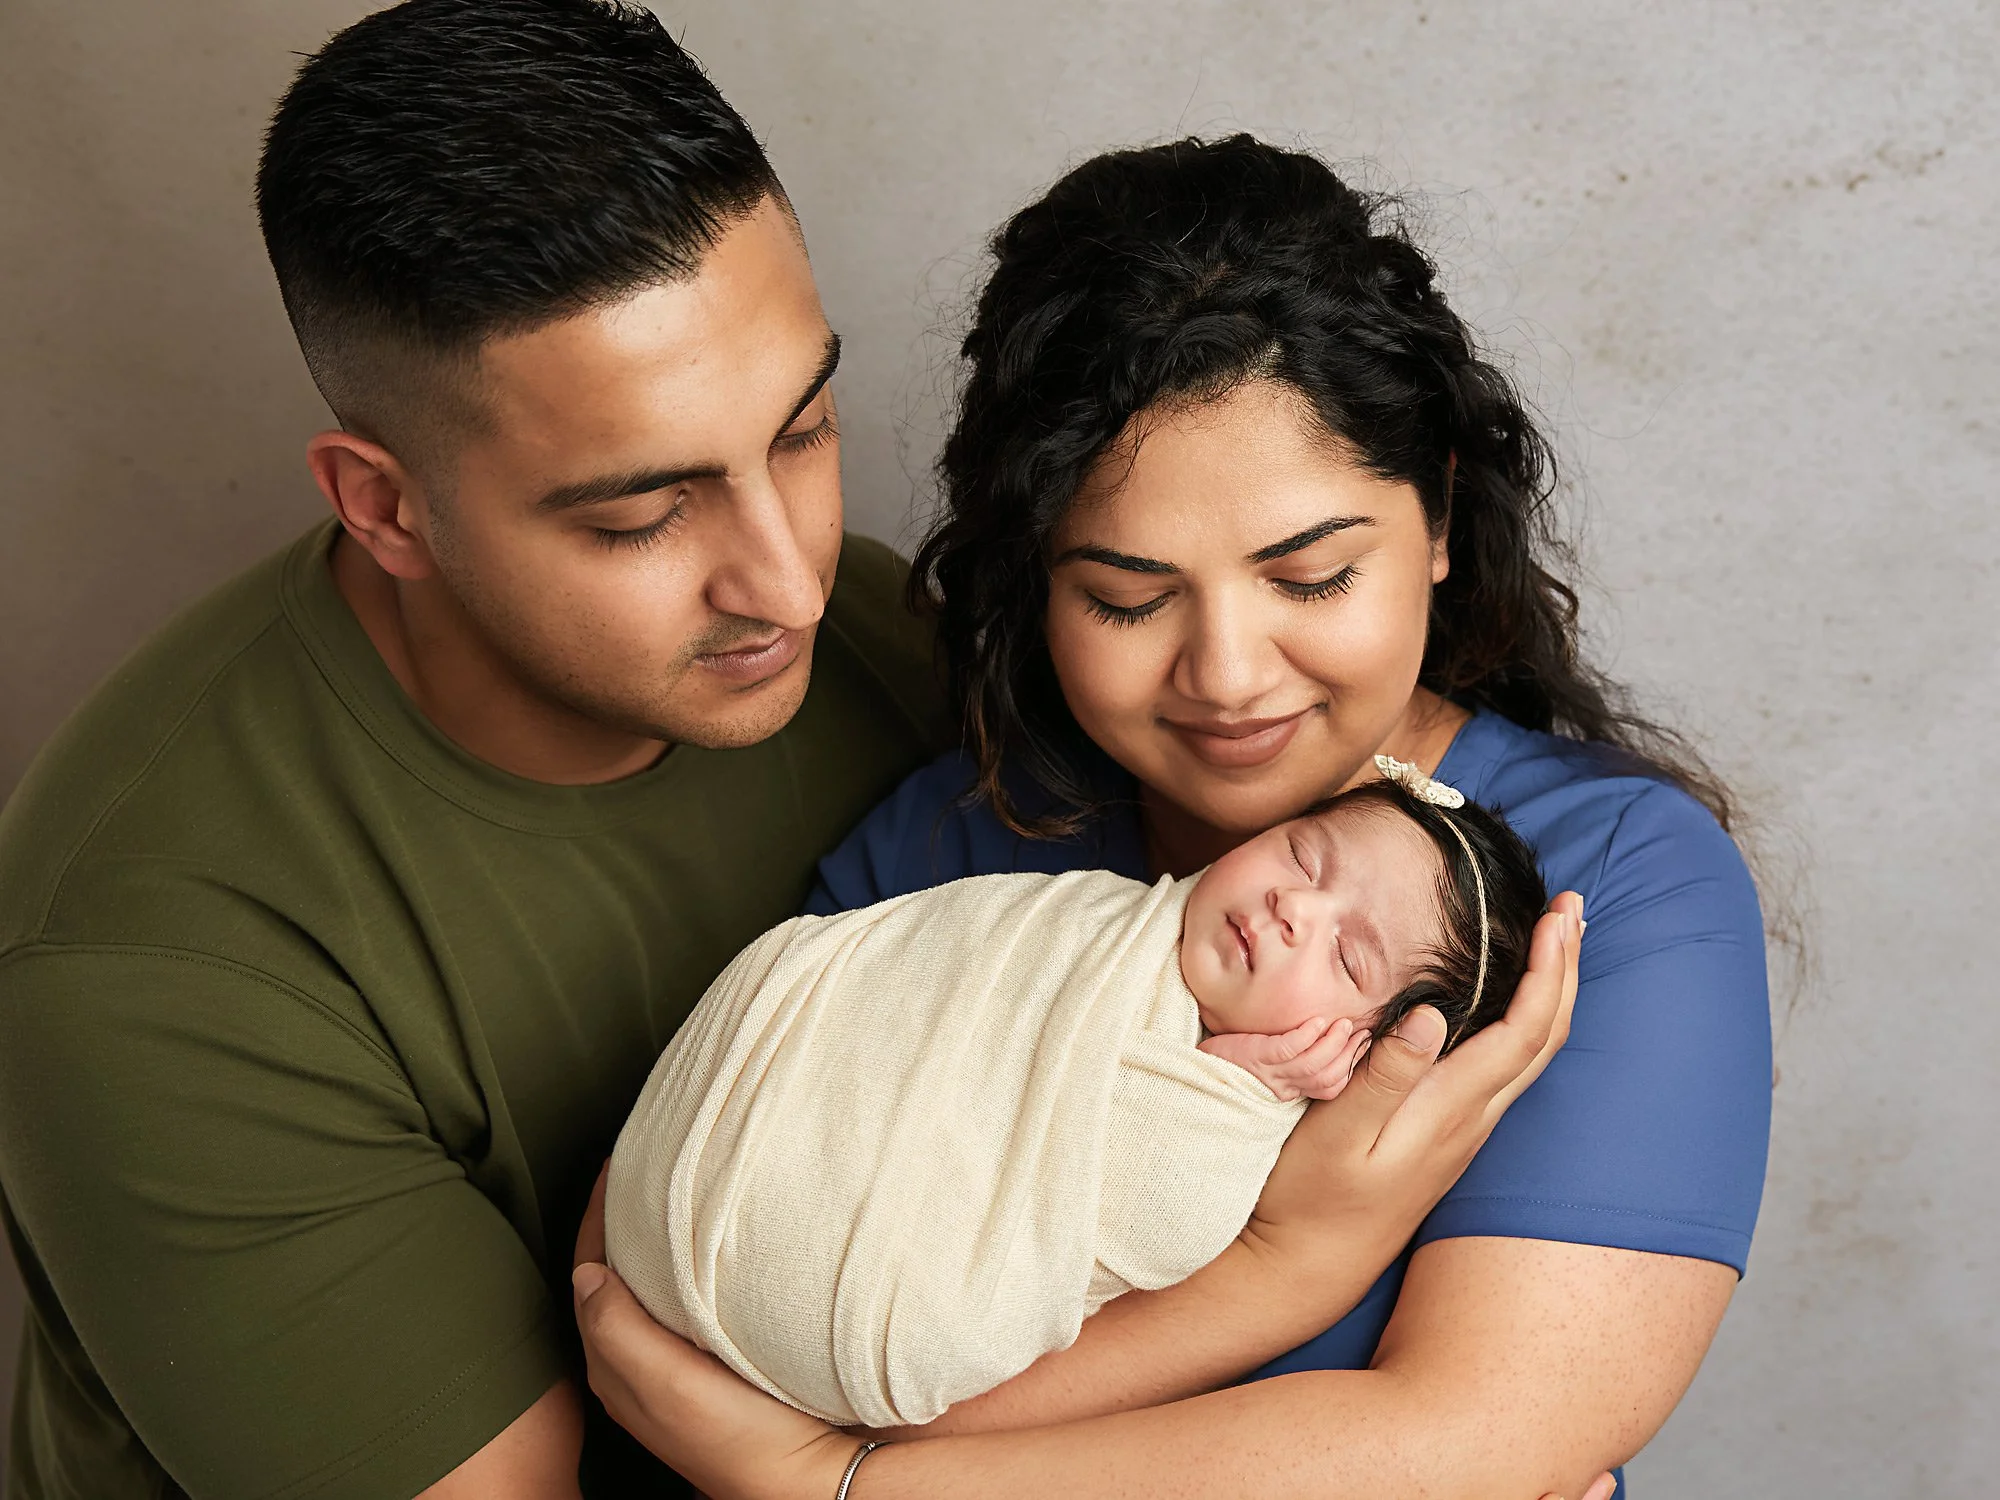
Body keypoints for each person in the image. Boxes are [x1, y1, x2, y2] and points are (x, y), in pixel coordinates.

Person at [0, 9, 1577, 1499]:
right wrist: (1282, 1296)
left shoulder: (891, 645)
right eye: (640, 512)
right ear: (386, 505)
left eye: (805, 431)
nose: (788, 572)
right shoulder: (155, 963)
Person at [571, 136, 1769, 1499]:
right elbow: (673, 1276)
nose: (1226, 675)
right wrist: (1285, 1274)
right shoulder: (953, 848)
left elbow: (1486, 1435)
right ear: (1036, 582)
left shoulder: (1602, 892)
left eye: (1311, 576)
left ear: (1436, 514)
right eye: (1127, 600)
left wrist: (833, 1484)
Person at [602, 768, 1546, 1429]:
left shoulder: (1242, 1117)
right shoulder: (1094, 913)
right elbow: (914, 973)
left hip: (857, 1303)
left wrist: (1233, 1091)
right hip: (683, 1176)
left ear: (1368, 1053)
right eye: (1302, 857)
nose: (1296, 909)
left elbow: (1152, 1227)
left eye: (1347, 957)